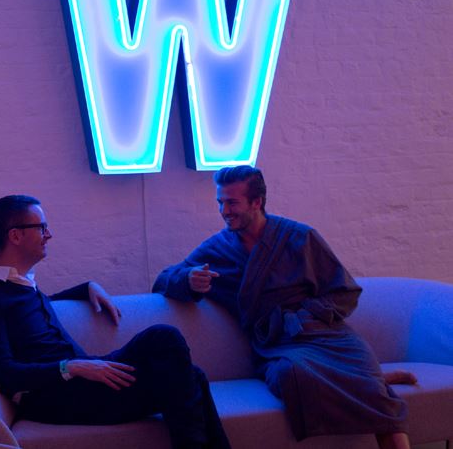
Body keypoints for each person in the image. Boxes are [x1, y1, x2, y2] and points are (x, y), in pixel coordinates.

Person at [153, 166, 415, 449]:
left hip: (327, 336)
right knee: (291, 376)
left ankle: (369, 379)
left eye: (232, 203)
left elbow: (345, 291)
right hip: (278, 345)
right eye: (220, 202)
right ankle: (367, 378)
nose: (224, 211)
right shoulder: (218, 249)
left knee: (379, 397)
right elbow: (162, 280)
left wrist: (307, 316)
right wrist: (188, 280)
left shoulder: (299, 238)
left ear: (256, 202)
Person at [0, 195, 230, 449]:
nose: (48, 234)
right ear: (16, 236)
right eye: (41, 227)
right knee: (165, 338)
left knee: (191, 375)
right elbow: (5, 372)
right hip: (56, 397)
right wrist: (71, 367)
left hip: (84, 383)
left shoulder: (21, 286)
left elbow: (33, 312)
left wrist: (87, 287)